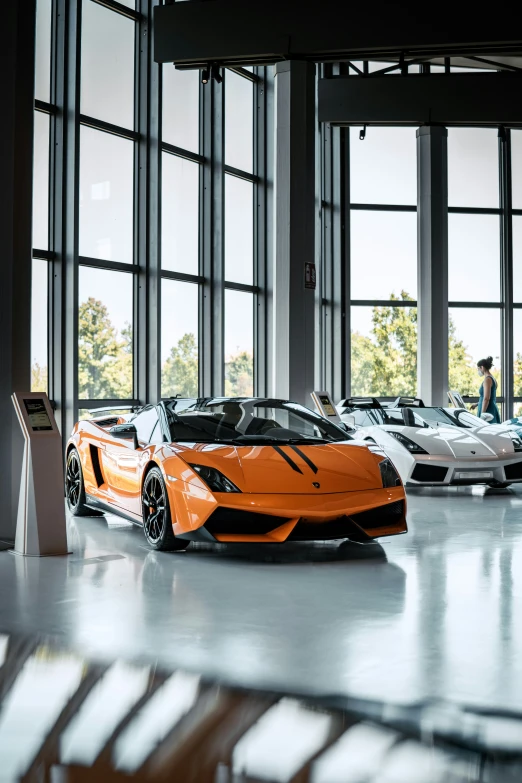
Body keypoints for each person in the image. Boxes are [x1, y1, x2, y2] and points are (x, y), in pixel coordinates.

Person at [475, 356, 501, 423]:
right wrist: (477, 404)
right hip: (490, 408)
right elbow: (490, 395)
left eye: (478, 369)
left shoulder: (487, 380)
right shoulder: (493, 379)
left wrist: (482, 415)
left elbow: (486, 398)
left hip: (488, 411)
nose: (478, 371)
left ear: (482, 367)